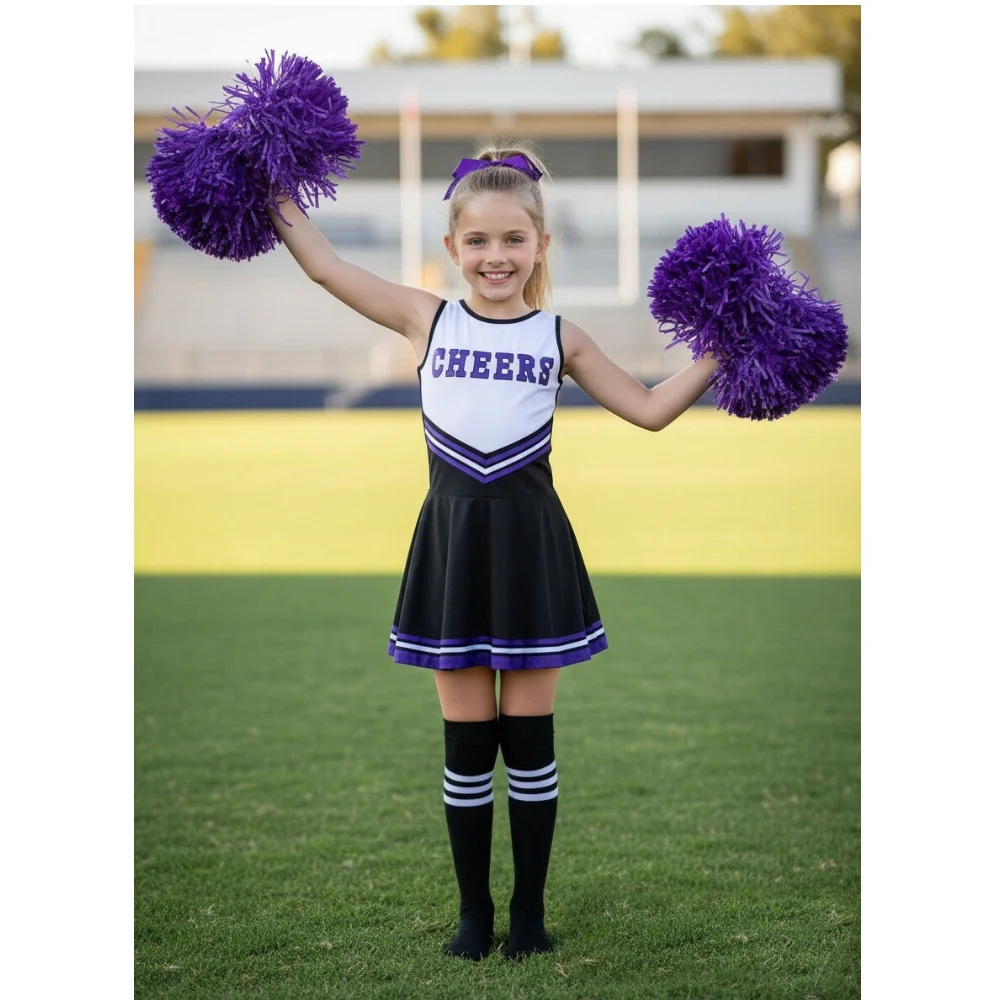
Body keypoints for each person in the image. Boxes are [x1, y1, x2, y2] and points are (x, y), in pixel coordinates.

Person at [267, 142, 719, 962]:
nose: (495, 256)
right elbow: (328, 268)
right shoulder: (425, 317)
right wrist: (267, 190)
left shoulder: (560, 336)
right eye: (477, 241)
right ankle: (474, 915)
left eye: (514, 240)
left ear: (541, 246)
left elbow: (651, 411)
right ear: (453, 249)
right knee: (468, 744)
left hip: (531, 547)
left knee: (532, 740)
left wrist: (725, 346)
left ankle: (531, 914)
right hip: (452, 546)